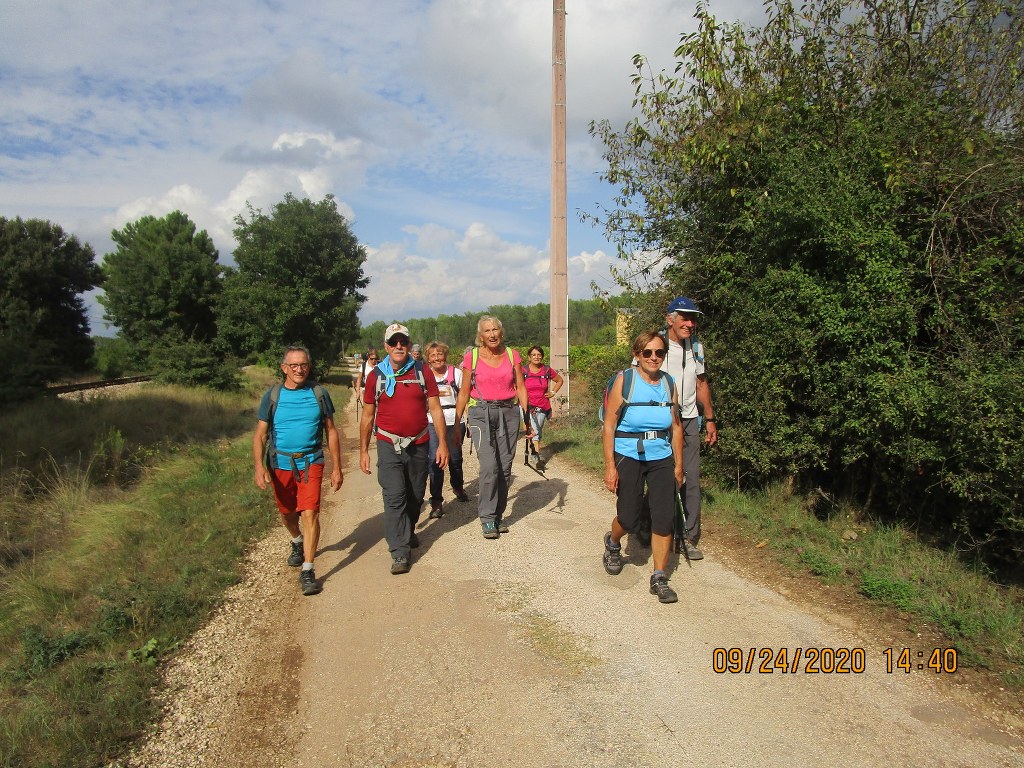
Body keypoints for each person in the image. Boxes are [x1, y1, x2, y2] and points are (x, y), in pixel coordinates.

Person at [253, 345, 343, 596]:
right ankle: (296, 540)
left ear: (309, 366)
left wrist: (337, 467)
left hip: (310, 461)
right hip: (279, 464)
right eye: (294, 365)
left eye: (303, 364)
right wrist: (259, 466)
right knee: (287, 513)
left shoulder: (319, 394)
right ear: (284, 368)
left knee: (310, 512)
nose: (299, 369)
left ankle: (308, 569)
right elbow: (260, 434)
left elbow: (331, 430)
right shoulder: (272, 396)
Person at [601, 330, 684, 604]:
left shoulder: (668, 383)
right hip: (628, 454)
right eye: (647, 352)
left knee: (663, 517)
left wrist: (679, 466)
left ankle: (659, 577)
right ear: (637, 354)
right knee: (629, 518)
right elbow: (610, 426)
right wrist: (610, 466)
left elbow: (675, 427)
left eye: (659, 352)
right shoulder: (626, 381)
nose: (653, 357)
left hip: (660, 456)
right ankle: (613, 542)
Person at [360, 323, 449, 575]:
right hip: (388, 444)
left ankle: (407, 532)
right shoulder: (376, 376)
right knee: (394, 496)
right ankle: (399, 551)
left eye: (403, 342)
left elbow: (435, 409)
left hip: (419, 443)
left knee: (415, 496)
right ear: (386, 346)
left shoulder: (423, 372)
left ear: (409, 345)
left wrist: (442, 443)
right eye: (394, 342)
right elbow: (368, 416)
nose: (399, 346)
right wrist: (363, 450)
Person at [454, 316, 532, 539]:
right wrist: (458, 423)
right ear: (481, 336)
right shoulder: (473, 357)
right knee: (490, 466)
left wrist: (527, 418)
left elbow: (521, 387)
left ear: (501, 331)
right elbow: (464, 391)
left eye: (495, 329)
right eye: (487, 331)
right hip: (481, 413)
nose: (492, 334)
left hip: (508, 413)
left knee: (504, 468)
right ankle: (487, 518)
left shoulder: (512, 355)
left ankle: (498, 516)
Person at [660, 296, 718, 560]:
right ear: (670, 318)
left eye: (693, 318)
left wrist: (710, 419)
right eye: (684, 317)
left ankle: (688, 536)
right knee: (661, 477)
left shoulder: (696, 347)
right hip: (660, 421)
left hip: (690, 420)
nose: (690, 323)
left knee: (690, 477)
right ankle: (660, 531)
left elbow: (701, 382)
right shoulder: (655, 345)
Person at [425, 341, 469, 518]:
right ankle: (436, 501)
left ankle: (457, 486)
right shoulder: (425, 375)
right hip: (431, 422)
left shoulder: (456, 374)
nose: (437, 358)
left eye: (440, 354)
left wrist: (467, 420)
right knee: (435, 463)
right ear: (428, 358)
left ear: (446, 355)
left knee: (456, 460)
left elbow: (464, 397)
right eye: (433, 355)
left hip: (454, 421)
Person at [522, 345, 563, 468]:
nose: (536, 357)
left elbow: (560, 380)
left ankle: (534, 452)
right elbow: (515, 384)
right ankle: (536, 456)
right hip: (525, 405)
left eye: (539, 355)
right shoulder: (523, 370)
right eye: (534, 355)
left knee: (536, 430)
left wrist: (553, 393)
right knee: (531, 429)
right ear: (529, 357)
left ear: (542, 356)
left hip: (541, 405)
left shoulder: (546, 370)